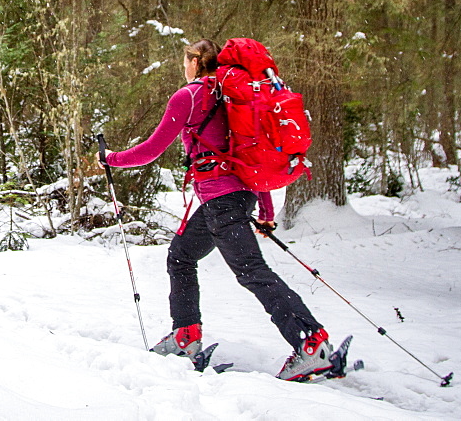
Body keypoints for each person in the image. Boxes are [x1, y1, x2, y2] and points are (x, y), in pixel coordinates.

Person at [98, 38, 335, 381]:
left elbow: (153, 149)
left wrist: (111, 159)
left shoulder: (190, 96)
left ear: (195, 62)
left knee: (252, 272)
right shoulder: (228, 95)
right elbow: (249, 151)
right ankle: (185, 337)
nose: (184, 67)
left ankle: (310, 343)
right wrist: (265, 208)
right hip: (235, 197)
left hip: (221, 203)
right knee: (180, 255)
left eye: (185, 62)